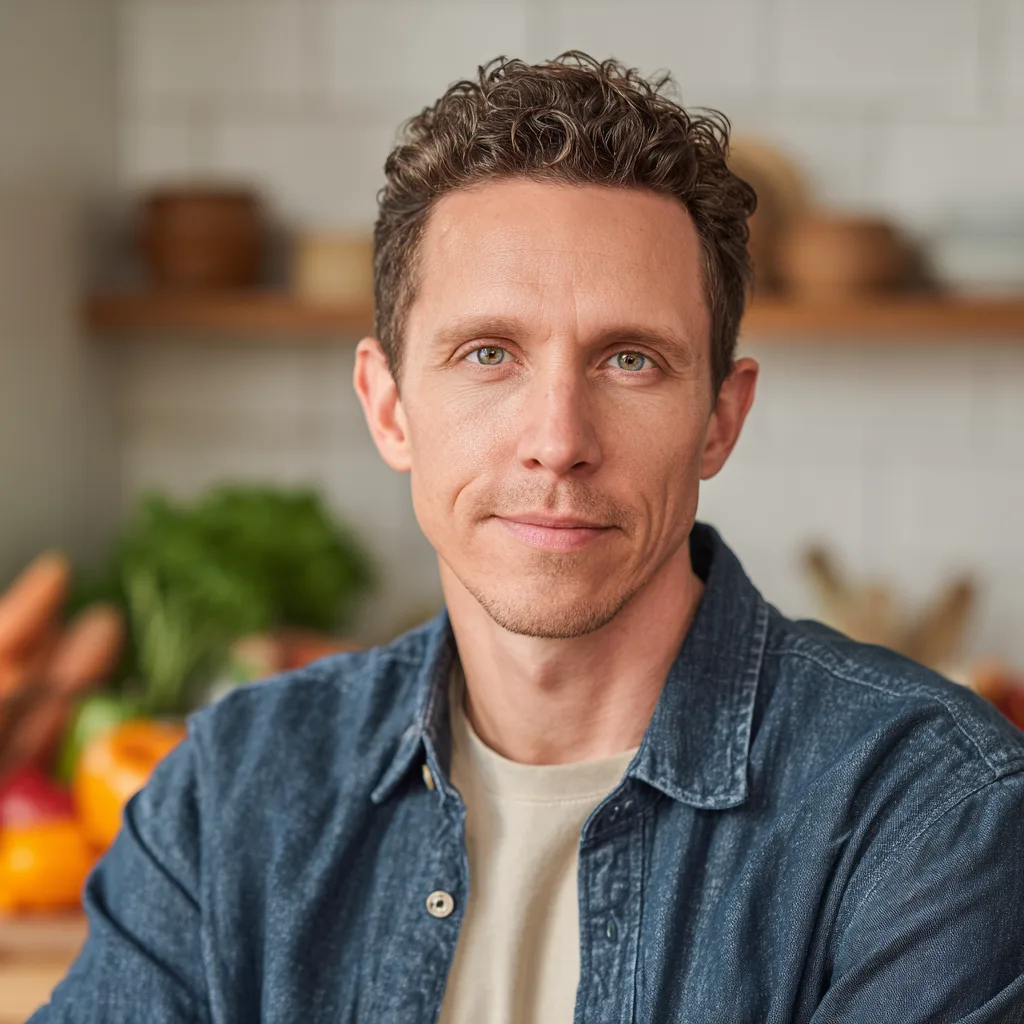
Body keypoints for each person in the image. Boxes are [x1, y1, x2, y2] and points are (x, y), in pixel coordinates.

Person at [31, 52, 1024, 1024]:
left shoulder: (930, 811)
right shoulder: (227, 794)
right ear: (388, 406)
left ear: (720, 418)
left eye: (630, 360)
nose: (558, 440)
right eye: (488, 353)